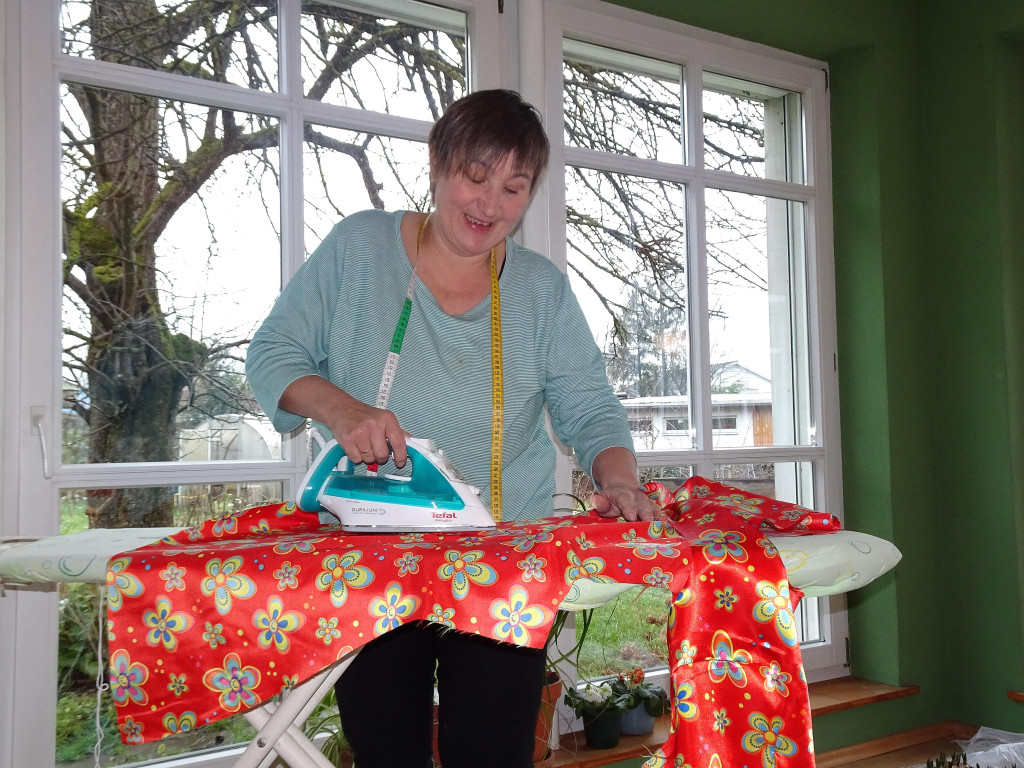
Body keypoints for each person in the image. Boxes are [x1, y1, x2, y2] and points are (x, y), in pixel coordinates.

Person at [246, 88, 657, 768]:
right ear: (438, 164)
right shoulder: (358, 249)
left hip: (503, 561)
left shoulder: (540, 291)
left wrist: (619, 479)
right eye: (475, 176)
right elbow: (272, 355)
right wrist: (344, 410)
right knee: (388, 755)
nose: (489, 205)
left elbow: (589, 405)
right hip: (373, 559)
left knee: (492, 756)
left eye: (513, 188)